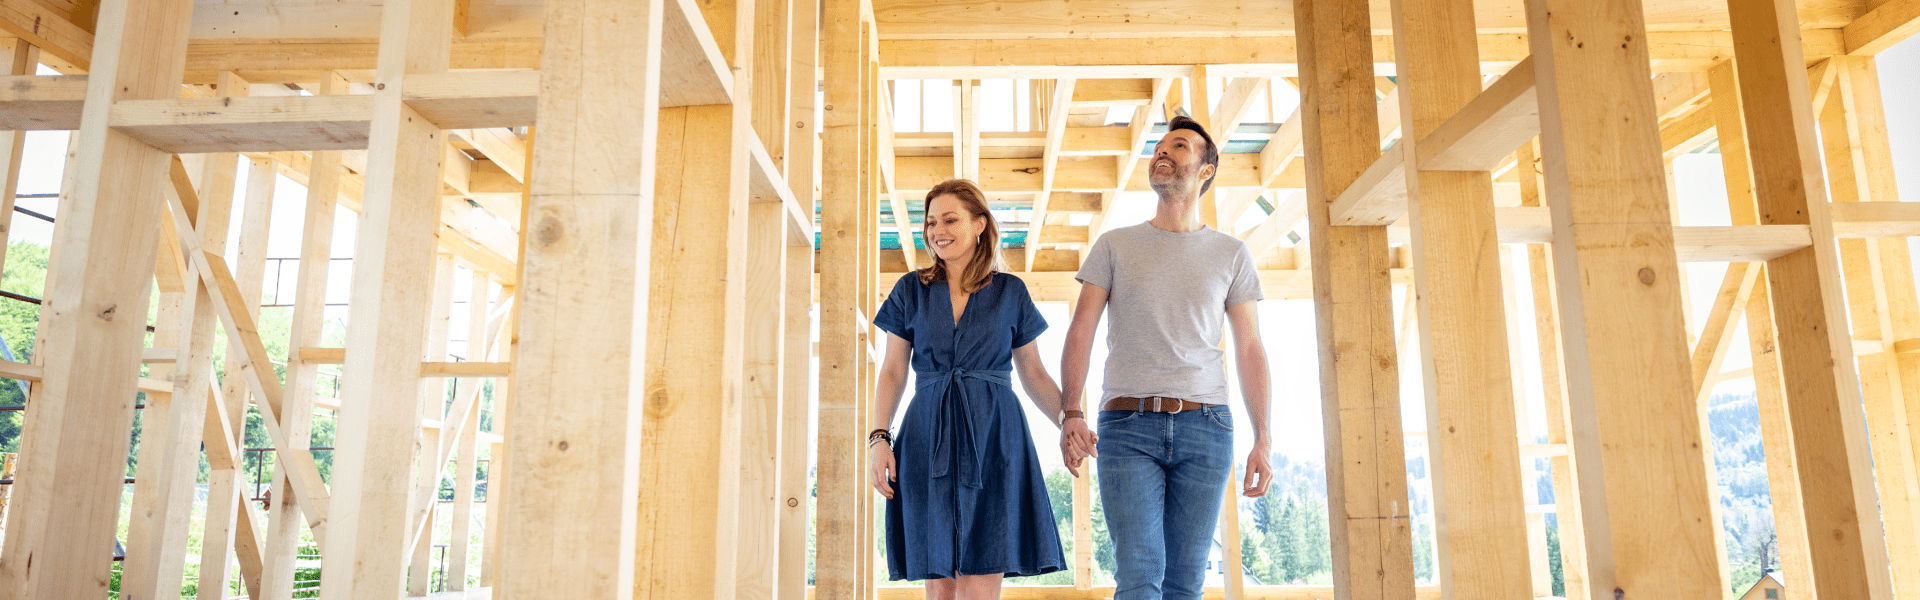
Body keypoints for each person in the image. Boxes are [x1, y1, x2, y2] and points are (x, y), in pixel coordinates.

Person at [1058, 115, 1275, 600]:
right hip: (1126, 426)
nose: (1162, 152)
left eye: (1177, 145)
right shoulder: (1115, 246)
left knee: (1185, 583)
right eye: (1158, 146)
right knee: (1139, 576)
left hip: (1208, 427)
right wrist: (1071, 410)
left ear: (1205, 170)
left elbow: (1250, 348)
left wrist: (1263, 437)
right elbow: (1081, 331)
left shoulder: (1231, 254)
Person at [869, 178, 1070, 600]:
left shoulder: (1010, 291)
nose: (937, 231)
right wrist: (879, 437)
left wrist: (1070, 419)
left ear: (979, 225)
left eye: (949, 219)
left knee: (979, 587)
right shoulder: (911, 289)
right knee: (939, 589)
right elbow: (892, 371)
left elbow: (1033, 372)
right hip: (927, 438)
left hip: (994, 437)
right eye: (930, 223)